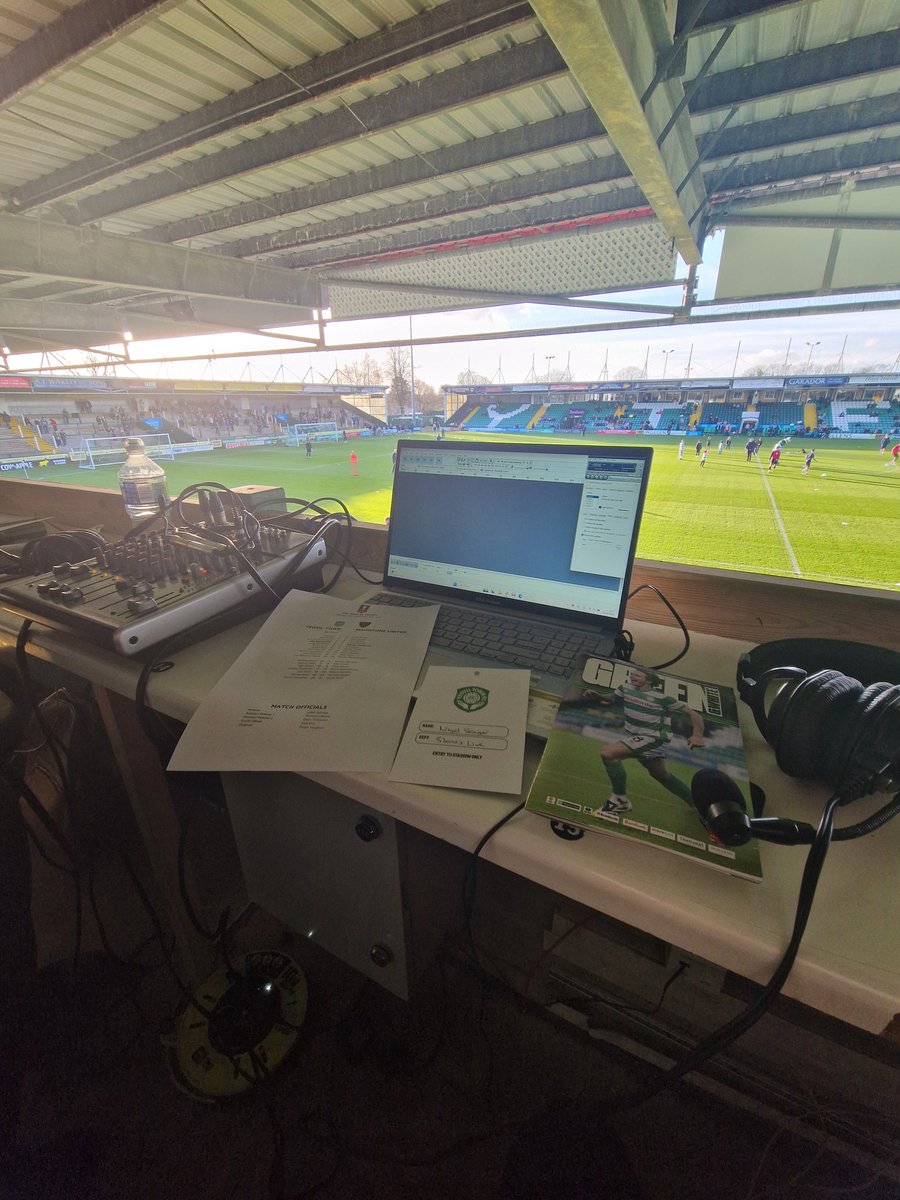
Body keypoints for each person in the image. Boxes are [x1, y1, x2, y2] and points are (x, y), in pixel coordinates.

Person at [587, 666, 704, 816]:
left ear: (648, 680)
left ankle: (620, 801)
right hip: (638, 737)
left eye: (637, 675)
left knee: (608, 753)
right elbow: (611, 698)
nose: (632, 677)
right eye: (632, 675)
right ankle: (698, 805)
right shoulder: (625, 688)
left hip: (655, 737)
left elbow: (694, 715)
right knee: (661, 775)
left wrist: (697, 735)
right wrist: (598, 695)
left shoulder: (662, 698)